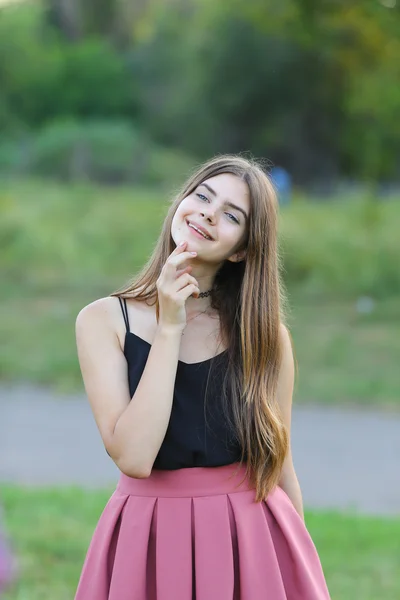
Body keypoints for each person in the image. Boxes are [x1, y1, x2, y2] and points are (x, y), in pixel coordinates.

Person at [74, 154, 331, 599]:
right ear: (180, 203)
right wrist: (170, 324)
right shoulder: (103, 321)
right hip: (147, 536)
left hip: (248, 537)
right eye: (203, 196)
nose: (208, 214)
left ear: (242, 249)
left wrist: (296, 564)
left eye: (231, 215)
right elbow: (134, 457)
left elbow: (279, 465)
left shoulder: (265, 337)